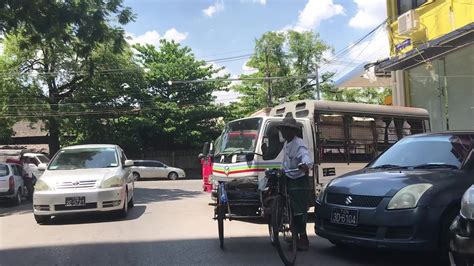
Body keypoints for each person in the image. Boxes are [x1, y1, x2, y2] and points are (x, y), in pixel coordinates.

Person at [276, 116, 313, 251]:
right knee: (290, 208)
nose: (284, 133)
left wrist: (304, 165)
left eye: (286, 130)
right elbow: (285, 161)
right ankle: (295, 236)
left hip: (298, 180)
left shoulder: (299, 144)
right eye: (283, 130)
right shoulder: (286, 144)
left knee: (299, 211)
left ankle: (303, 238)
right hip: (288, 177)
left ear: (293, 131)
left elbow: (305, 157)